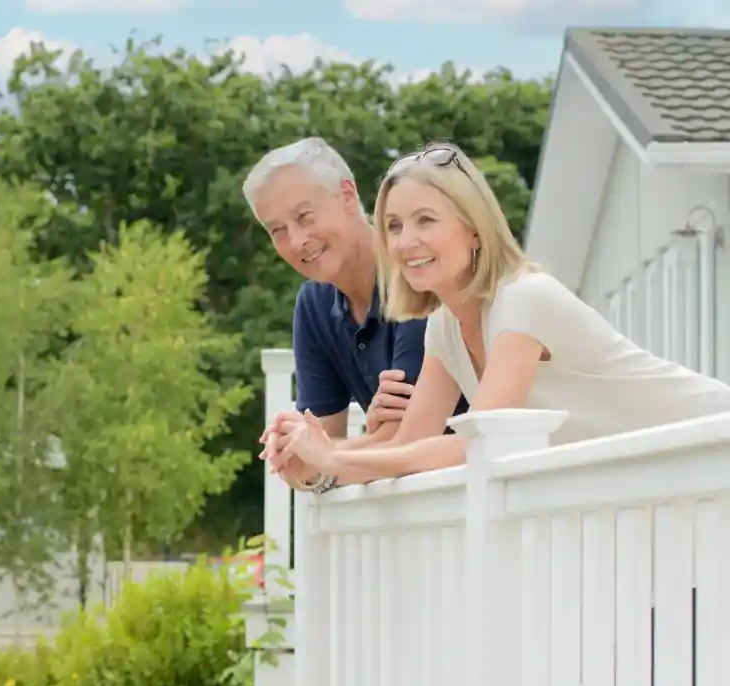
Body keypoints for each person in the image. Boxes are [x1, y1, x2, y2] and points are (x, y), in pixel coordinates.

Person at [260, 142, 730, 485]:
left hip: (713, 441)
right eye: (394, 226)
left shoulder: (523, 300)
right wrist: (314, 458)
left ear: (474, 229)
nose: (406, 243)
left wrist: (335, 459)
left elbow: (479, 442)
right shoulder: (444, 326)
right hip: (673, 475)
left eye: (426, 220)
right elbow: (408, 444)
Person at [243, 137, 466, 492]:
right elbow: (315, 454)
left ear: (347, 196)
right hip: (425, 507)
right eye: (278, 231)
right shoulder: (314, 305)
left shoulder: (415, 274)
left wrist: (319, 457)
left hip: (484, 491)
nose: (297, 240)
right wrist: (304, 459)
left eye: (304, 217)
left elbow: (405, 440)